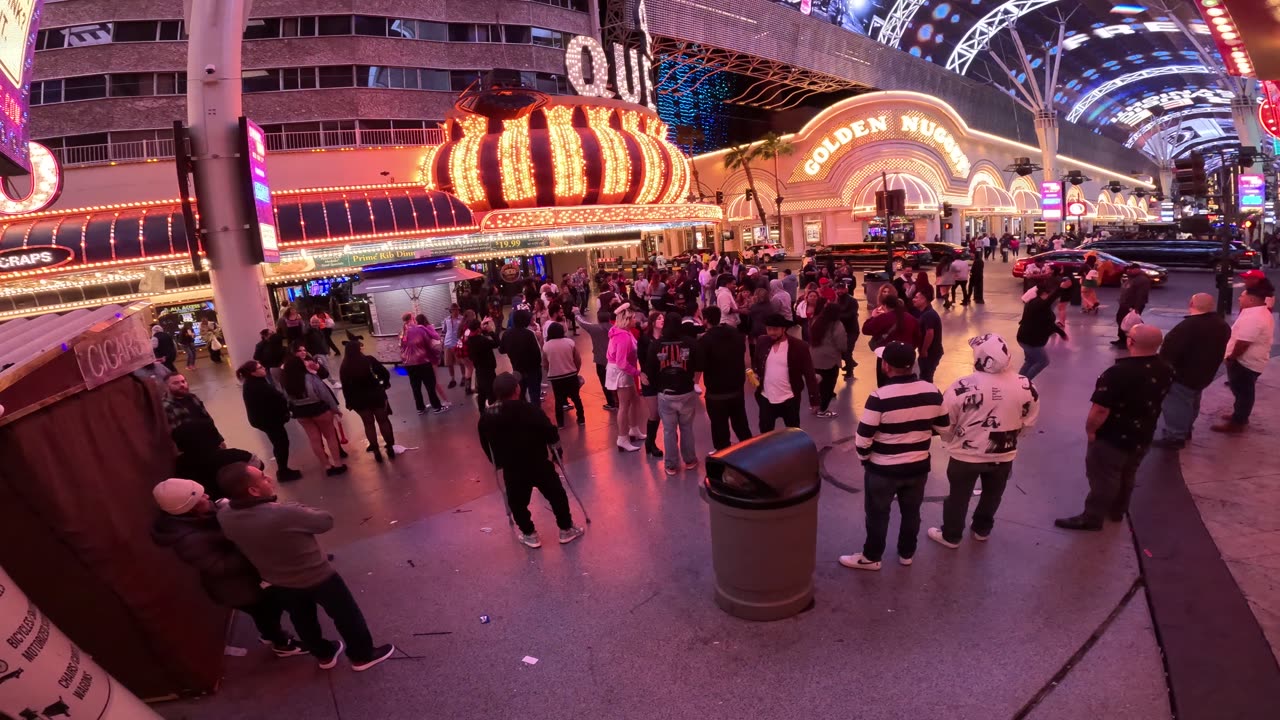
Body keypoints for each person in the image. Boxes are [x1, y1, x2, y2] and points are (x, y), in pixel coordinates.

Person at [216, 462, 395, 671]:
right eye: (263, 478)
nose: (269, 479)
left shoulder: (225, 516)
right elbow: (325, 521)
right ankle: (362, 655)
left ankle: (324, 655)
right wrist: (293, 507)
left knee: (302, 619)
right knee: (345, 615)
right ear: (253, 491)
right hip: (318, 575)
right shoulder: (283, 513)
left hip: (279, 581)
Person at [150, 478, 304, 658]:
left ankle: (269, 634)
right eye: (200, 497)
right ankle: (281, 644)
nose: (207, 496)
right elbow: (219, 566)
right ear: (188, 508)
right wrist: (247, 544)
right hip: (237, 588)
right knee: (266, 610)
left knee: (268, 610)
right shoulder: (189, 540)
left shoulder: (201, 516)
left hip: (246, 581)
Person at [839, 341, 949, 571]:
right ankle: (906, 553)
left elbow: (863, 437)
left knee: (878, 514)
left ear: (886, 366)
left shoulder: (880, 396)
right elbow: (944, 428)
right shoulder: (932, 391)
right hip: (918, 466)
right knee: (911, 512)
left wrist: (865, 459)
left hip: (883, 469)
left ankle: (871, 557)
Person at [1055, 324, 1172, 530]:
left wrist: (1091, 431)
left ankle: (1092, 517)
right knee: (1128, 473)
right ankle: (1118, 510)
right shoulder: (1164, 368)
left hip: (1114, 436)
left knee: (1103, 478)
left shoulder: (1118, 373)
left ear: (1131, 341)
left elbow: (1100, 410)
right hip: (1143, 433)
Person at [928, 334, 1039, 549]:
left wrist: (950, 438)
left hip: (965, 457)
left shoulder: (963, 385)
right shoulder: (1026, 384)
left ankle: (951, 536)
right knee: (993, 494)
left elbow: (943, 421)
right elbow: (1029, 421)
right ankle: (982, 529)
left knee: (959, 496)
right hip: (1004, 454)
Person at [478, 373, 585, 548]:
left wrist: (496, 461)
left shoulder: (488, 416)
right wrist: (557, 451)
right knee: (556, 494)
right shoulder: (530, 409)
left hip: (512, 467)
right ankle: (566, 528)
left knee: (517, 501)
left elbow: (486, 443)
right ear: (516, 389)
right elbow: (550, 431)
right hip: (538, 462)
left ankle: (529, 533)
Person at [1152, 293, 1231, 448]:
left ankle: (1175, 435)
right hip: (1204, 373)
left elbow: (1169, 353)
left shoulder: (1187, 327)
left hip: (1182, 374)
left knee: (1177, 404)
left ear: (1191, 304)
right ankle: (1186, 429)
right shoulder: (1221, 325)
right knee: (1192, 402)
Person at [1211, 285, 1276, 434]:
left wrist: (1231, 358)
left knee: (1243, 393)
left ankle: (1238, 423)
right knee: (1241, 392)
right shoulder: (1257, 312)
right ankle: (1238, 416)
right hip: (1249, 361)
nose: (1239, 298)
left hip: (1244, 363)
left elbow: (1243, 342)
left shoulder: (1254, 317)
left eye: (1243, 296)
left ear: (1252, 299)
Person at [645, 311, 700, 475]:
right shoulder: (690, 343)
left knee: (669, 430)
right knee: (687, 428)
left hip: (665, 393)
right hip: (686, 391)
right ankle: (689, 460)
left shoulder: (656, 345)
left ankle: (671, 465)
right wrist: (694, 382)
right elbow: (698, 366)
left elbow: (650, 370)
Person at [696, 306, 753, 451]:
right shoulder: (735, 334)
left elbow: (700, 364)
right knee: (741, 425)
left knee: (719, 428)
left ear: (706, 320)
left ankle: (724, 455)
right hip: (736, 389)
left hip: (716, 394)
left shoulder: (705, 340)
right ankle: (752, 452)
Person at [281, 355, 348, 476]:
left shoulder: (286, 382)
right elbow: (325, 394)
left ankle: (326, 466)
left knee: (314, 440)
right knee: (330, 436)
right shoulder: (310, 378)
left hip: (301, 413)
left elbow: (287, 399)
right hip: (319, 409)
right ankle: (338, 464)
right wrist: (335, 409)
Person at [236, 360, 302, 482]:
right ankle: (283, 471)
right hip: (269, 420)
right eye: (260, 368)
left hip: (264, 420)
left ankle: (283, 469)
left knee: (279, 443)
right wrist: (285, 412)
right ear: (253, 373)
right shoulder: (258, 386)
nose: (264, 369)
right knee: (281, 443)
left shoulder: (252, 383)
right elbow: (275, 401)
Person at [752, 314, 819, 431]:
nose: (771, 332)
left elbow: (809, 374)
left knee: (793, 433)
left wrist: (814, 399)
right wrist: (756, 372)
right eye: (769, 329)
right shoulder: (762, 341)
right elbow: (756, 361)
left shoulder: (799, 346)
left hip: (789, 399)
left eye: (775, 329)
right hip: (766, 398)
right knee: (765, 433)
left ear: (784, 329)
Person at [339, 335, 396, 462]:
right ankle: (390, 447)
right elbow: (384, 373)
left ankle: (376, 451)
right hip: (376, 395)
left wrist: (349, 402)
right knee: (383, 421)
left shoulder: (345, 366)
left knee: (368, 424)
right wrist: (384, 384)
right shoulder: (369, 360)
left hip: (359, 400)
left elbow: (345, 386)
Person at [606, 305, 644, 452]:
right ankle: (622, 438)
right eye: (633, 317)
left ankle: (633, 429)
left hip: (622, 371)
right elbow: (621, 362)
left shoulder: (623, 333)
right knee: (624, 405)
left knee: (634, 400)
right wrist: (637, 372)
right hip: (621, 373)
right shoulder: (623, 336)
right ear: (627, 320)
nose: (636, 320)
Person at [1016, 279, 1071, 380]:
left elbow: (1048, 322)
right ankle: (1024, 384)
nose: (1056, 301)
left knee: (1030, 361)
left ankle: (1018, 381)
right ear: (1045, 294)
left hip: (1025, 338)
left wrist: (1061, 333)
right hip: (1031, 341)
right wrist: (1061, 288)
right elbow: (1049, 301)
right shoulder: (1039, 304)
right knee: (1043, 361)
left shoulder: (1036, 304)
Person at [861, 296, 918, 387]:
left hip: (886, 356)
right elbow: (917, 337)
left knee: (884, 384)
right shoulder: (911, 318)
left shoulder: (883, 318)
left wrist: (873, 317)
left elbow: (866, 330)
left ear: (885, 306)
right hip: (906, 355)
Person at [400, 313, 445, 415]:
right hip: (422, 361)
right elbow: (432, 340)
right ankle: (436, 407)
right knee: (430, 385)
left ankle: (420, 408)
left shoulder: (402, 332)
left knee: (415, 387)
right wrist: (436, 355)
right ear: (412, 319)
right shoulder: (419, 329)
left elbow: (401, 347)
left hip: (409, 364)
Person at [543, 322, 585, 428]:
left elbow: (545, 364)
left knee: (558, 400)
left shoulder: (546, 346)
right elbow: (578, 359)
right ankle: (581, 418)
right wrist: (576, 371)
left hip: (555, 377)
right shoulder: (569, 342)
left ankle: (560, 423)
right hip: (571, 374)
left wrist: (551, 371)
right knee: (576, 397)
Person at [808, 303, 847, 418]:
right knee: (828, 386)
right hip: (829, 360)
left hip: (814, 358)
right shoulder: (837, 325)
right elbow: (841, 344)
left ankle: (815, 405)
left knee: (817, 384)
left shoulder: (817, 321)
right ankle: (823, 410)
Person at [577, 308, 618, 410]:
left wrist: (576, 313)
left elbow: (582, 323)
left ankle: (611, 403)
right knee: (616, 381)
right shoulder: (615, 328)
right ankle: (620, 401)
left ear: (598, 319)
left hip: (600, 360)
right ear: (609, 319)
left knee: (604, 382)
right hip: (615, 360)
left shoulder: (594, 328)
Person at [500, 309, 544, 405]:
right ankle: (535, 414)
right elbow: (537, 354)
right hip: (532, 369)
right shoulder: (529, 334)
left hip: (517, 368)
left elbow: (501, 350)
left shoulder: (507, 334)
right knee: (534, 394)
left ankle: (522, 413)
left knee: (520, 394)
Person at [1111, 265, 1151, 347]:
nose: (1129, 271)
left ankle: (1127, 340)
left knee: (1129, 323)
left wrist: (1137, 307)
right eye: (1129, 269)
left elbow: (1142, 295)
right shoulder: (1131, 278)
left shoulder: (1142, 280)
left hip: (1132, 305)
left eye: (1132, 269)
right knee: (1121, 320)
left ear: (1137, 269)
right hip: (1125, 304)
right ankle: (1122, 339)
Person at [466, 317, 500, 410]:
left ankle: (482, 413)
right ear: (478, 329)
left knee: (482, 394)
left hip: (479, 370)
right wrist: (491, 331)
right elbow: (497, 343)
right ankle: (494, 414)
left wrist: (482, 328)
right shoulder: (482, 340)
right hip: (488, 371)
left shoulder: (469, 340)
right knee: (491, 394)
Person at [912, 288, 943, 383]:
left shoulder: (928, 315)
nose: (914, 299)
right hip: (932, 351)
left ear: (924, 299)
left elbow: (930, 333)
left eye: (916, 297)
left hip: (931, 352)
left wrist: (924, 350)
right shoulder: (926, 313)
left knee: (926, 377)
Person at [834, 280, 860, 380]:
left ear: (846, 289)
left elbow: (851, 315)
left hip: (852, 330)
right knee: (841, 350)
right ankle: (851, 363)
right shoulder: (837, 300)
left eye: (842, 289)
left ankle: (850, 371)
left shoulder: (852, 301)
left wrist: (836, 316)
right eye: (838, 289)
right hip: (841, 330)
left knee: (847, 350)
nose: (840, 291)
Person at [442, 304, 465, 389]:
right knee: (449, 363)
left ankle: (464, 377)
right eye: (454, 310)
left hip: (457, 343)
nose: (456, 311)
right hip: (447, 343)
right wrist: (442, 342)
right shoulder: (446, 320)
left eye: (457, 310)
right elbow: (444, 331)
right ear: (450, 311)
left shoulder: (462, 319)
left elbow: (464, 330)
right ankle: (452, 379)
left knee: (461, 362)